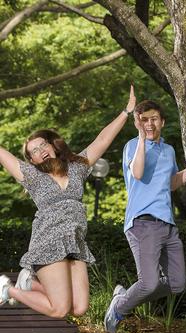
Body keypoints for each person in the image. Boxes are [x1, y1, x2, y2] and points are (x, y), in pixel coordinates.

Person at [0, 86, 136, 319]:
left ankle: (27, 284)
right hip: (48, 240)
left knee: (80, 308)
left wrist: (126, 111)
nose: (40, 151)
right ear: (31, 159)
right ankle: (7, 288)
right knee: (60, 308)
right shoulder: (32, 176)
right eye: (34, 151)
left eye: (43, 145)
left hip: (75, 242)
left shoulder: (77, 167)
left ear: (53, 146)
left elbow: (102, 140)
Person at [103, 100, 186, 333]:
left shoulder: (168, 150)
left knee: (177, 283)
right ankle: (119, 308)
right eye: (144, 119)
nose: (149, 123)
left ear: (162, 122)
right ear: (138, 123)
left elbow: (173, 183)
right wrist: (142, 137)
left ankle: (124, 297)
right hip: (143, 223)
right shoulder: (133, 145)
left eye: (154, 118)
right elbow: (137, 172)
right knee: (149, 282)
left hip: (167, 224)